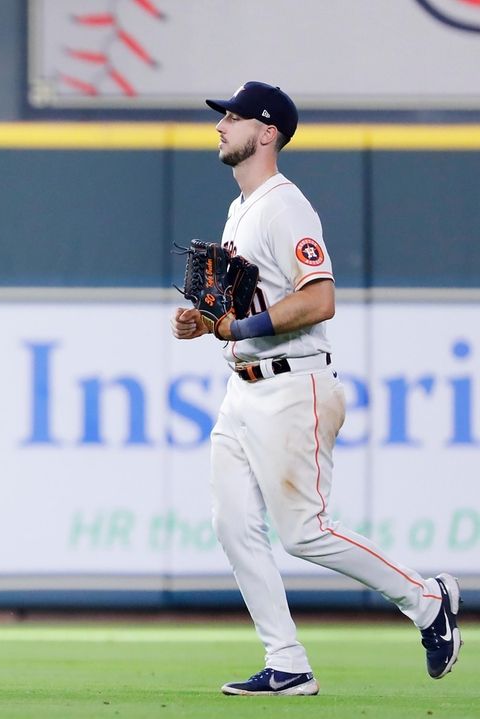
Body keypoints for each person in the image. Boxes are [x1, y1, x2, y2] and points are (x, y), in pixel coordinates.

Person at [173, 82, 462, 696]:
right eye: (222, 116)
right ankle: (288, 662)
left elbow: (320, 297)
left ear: (268, 131)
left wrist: (242, 325)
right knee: (233, 524)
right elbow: (243, 304)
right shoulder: (240, 208)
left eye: (234, 117)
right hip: (244, 387)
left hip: (292, 385)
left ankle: (427, 598)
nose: (221, 125)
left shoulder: (285, 207)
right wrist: (204, 322)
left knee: (305, 532)